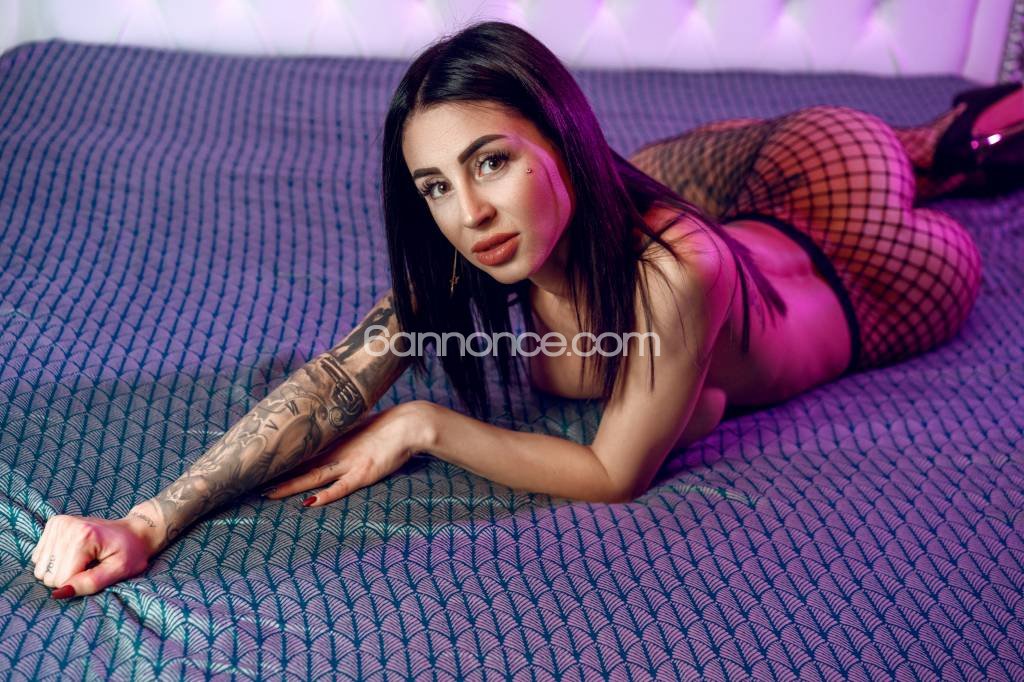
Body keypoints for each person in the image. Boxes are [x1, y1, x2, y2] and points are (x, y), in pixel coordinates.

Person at [31, 20, 1020, 599]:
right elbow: (337, 378)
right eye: (436, 185)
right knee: (658, 194)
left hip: (869, 271)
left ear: (553, 138)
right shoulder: (482, 244)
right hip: (739, 214)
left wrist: (423, 423)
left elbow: (613, 473)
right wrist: (147, 520)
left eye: (492, 162)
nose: (468, 214)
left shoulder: (674, 273)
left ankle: (953, 137)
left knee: (924, 164)